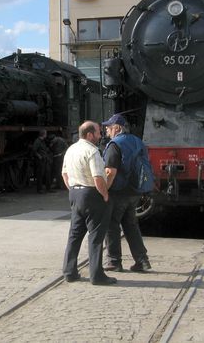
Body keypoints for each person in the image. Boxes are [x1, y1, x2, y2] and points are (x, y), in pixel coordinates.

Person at [61, 121, 116, 286]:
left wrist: (73, 189)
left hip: (75, 193)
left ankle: (69, 272)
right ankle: (96, 275)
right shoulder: (92, 151)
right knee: (96, 236)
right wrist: (105, 195)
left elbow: (64, 174)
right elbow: (98, 177)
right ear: (90, 134)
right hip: (92, 194)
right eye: (99, 132)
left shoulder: (71, 149)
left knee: (74, 235)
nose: (101, 136)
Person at [102, 113, 152, 272]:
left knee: (111, 225)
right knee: (131, 225)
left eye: (109, 127)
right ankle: (142, 260)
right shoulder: (138, 141)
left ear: (117, 128)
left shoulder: (114, 145)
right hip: (135, 192)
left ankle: (114, 262)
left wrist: (104, 190)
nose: (107, 130)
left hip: (118, 192)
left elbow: (110, 171)